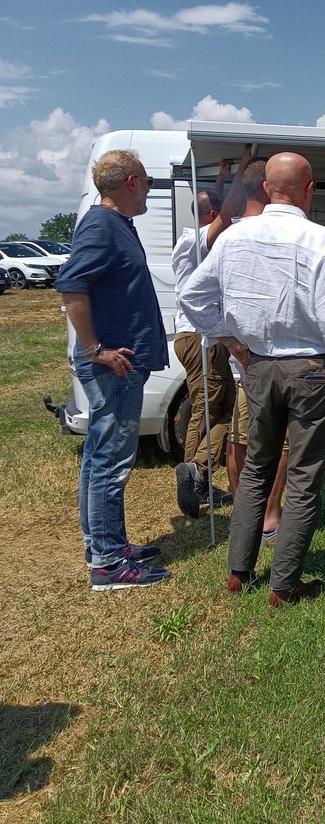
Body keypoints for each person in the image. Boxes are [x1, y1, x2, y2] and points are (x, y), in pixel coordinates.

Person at [180, 152, 325, 607]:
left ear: (266, 188)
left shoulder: (235, 237)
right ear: (310, 189)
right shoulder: (320, 239)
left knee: (257, 469)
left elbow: (191, 294)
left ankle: (238, 572)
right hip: (309, 370)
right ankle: (284, 585)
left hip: (258, 367)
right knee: (303, 475)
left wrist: (227, 337)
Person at [56, 150, 171, 590]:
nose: (149, 189)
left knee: (99, 457)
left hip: (120, 365)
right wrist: (95, 349)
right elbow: (71, 284)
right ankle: (107, 563)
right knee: (110, 460)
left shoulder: (116, 225)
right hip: (116, 367)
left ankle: (104, 544)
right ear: (130, 182)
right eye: (148, 181)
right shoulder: (103, 225)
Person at [172, 155, 249, 519]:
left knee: (213, 408)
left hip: (193, 334)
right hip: (200, 335)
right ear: (210, 216)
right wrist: (246, 167)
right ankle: (197, 474)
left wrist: (221, 177)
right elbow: (221, 211)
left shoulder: (193, 238)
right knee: (213, 409)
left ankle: (195, 474)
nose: (229, 218)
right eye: (220, 213)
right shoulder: (196, 240)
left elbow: (211, 205)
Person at [223, 156, 288, 540]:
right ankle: (268, 515)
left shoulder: (225, 234)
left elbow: (198, 298)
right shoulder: (272, 234)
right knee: (277, 441)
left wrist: (229, 340)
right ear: (268, 188)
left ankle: (244, 510)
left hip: (245, 360)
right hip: (272, 358)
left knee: (240, 437)